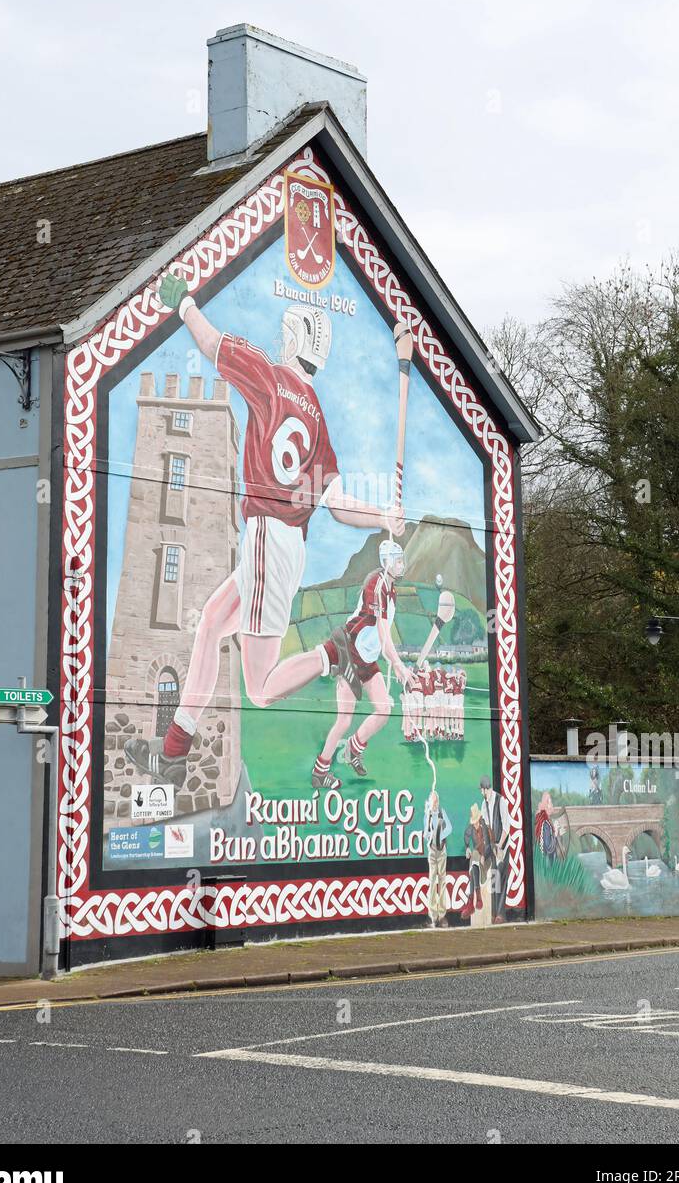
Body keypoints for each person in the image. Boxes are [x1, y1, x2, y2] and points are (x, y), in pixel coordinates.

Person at [125, 272, 404, 789]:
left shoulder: (271, 376)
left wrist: (184, 305)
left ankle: (330, 653)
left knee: (259, 687)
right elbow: (339, 505)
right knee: (210, 623)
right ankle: (173, 749)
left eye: (285, 334)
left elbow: (212, 345)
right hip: (286, 546)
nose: (279, 341)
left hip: (266, 536)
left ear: (296, 340)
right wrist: (385, 515)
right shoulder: (318, 419)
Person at [310, 540, 412, 784]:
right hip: (350, 654)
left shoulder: (391, 589)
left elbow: (383, 636)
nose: (401, 565)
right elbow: (383, 635)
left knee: (384, 709)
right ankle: (319, 773)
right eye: (397, 561)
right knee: (344, 720)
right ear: (386, 562)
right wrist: (398, 665)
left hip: (367, 659)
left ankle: (354, 748)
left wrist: (394, 662)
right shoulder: (376, 586)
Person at [480, 774, 511, 923]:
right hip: (493, 846)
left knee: (502, 878)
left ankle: (500, 914)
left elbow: (506, 827)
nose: (481, 793)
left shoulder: (501, 801)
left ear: (487, 788)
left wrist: (500, 845)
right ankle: (494, 913)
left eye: (482, 790)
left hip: (503, 846)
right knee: (494, 878)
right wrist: (488, 847)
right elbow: (486, 826)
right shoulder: (484, 804)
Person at [423, 789, 452, 927]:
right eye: (432, 800)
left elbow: (449, 828)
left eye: (436, 801)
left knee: (442, 880)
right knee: (432, 881)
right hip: (432, 851)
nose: (434, 803)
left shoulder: (441, 812)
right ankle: (433, 915)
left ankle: (442, 914)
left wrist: (441, 835)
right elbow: (425, 833)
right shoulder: (427, 815)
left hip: (441, 851)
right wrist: (428, 835)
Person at [461, 803, 492, 919]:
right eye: (472, 822)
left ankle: (471, 901)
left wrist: (484, 855)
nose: (474, 824)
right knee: (474, 858)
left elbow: (488, 845)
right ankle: (477, 897)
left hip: (486, 859)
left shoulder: (484, 827)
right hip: (476, 859)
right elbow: (466, 836)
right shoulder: (471, 828)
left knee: (474, 859)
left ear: (479, 818)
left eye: (475, 821)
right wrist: (467, 847)